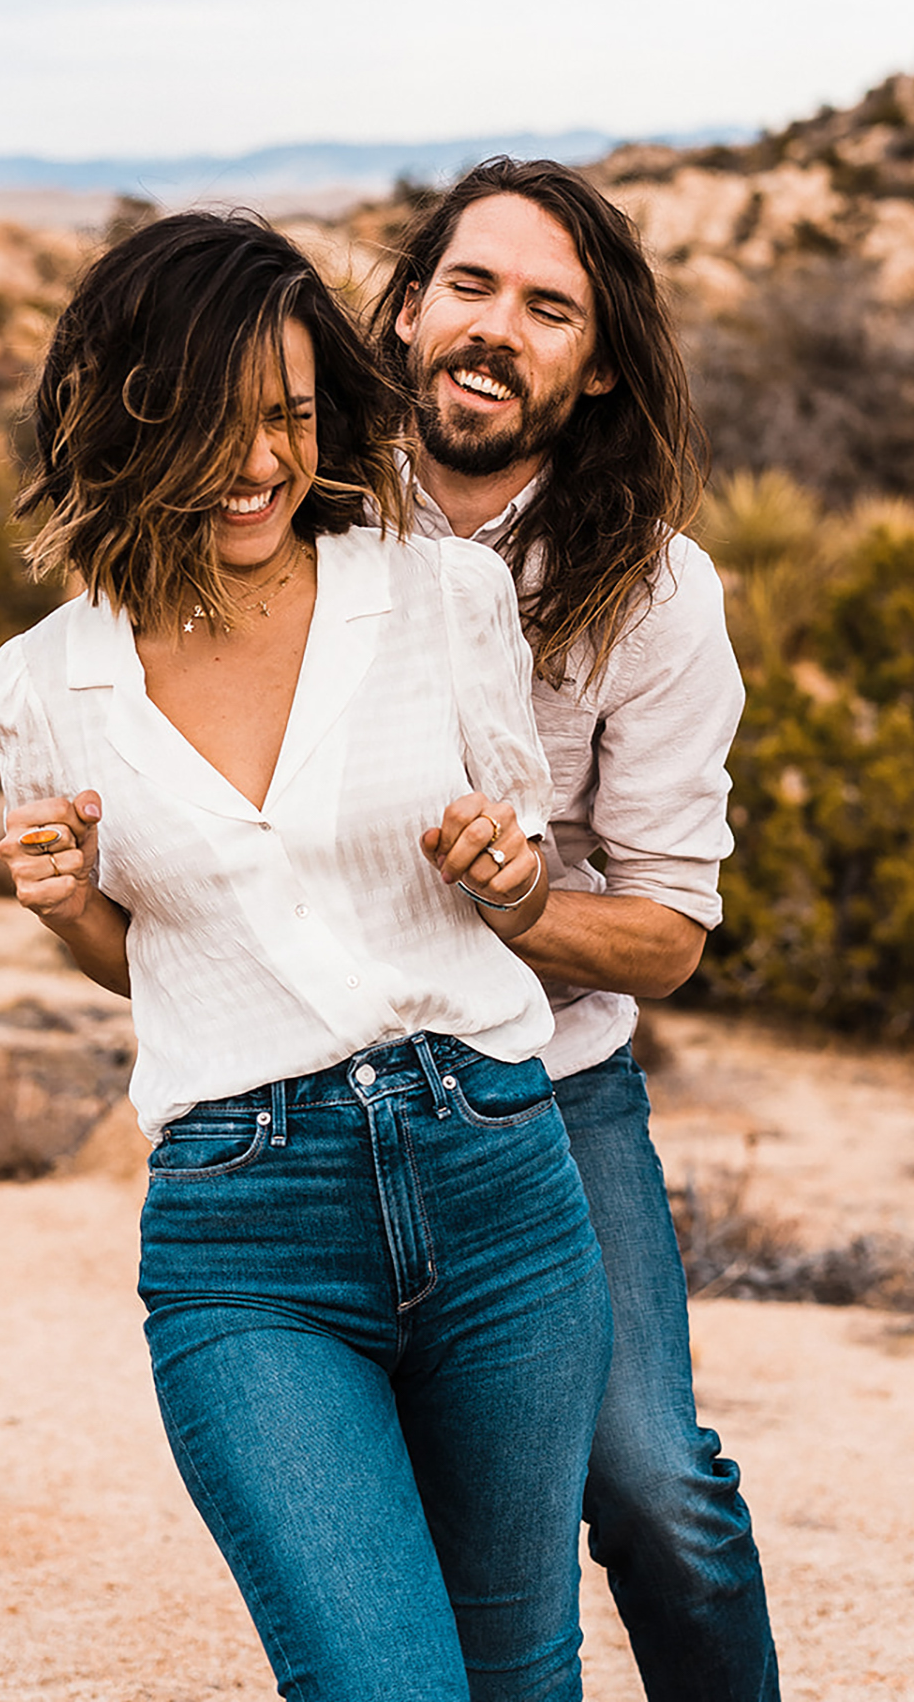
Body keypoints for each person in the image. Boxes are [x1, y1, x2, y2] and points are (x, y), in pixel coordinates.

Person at [0, 210, 613, 1702]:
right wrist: (70, 904)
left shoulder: (437, 595)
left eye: (291, 414)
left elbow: (520, 855)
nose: (261, 459)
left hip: (496, 1185)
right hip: (247, 1235)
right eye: (219, 420)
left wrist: (510, 873)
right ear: (133, 415)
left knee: (524, 1671)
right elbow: (164, 965)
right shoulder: (44, 684)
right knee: (384, 1681)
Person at [369, 158, 781, 1702]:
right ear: (410, 307)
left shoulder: (655, 593)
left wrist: (524, 902)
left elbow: (670, 936)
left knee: (651, 1487)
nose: (495, 329)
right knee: (425, 1520)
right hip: (342, 1087)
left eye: (549, 308)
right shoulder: (305, 525)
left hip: (554, 1091)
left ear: (595, 362)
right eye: (470, 286)